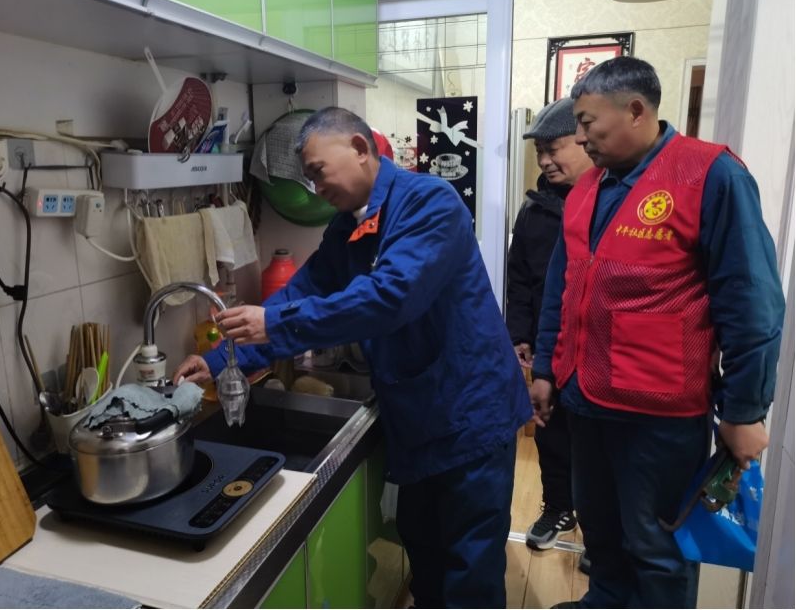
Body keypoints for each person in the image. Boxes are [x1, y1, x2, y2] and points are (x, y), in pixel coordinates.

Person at [174, 107, 532, 608]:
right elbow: (304, 290)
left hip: (469, 414)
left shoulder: (429, 202)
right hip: (419, 417)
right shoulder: (347, 227)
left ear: (360, 149)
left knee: (469, 569)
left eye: (318, 172)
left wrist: (275, 323)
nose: (315, 187)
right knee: (426, 554)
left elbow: (390, 297)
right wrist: (219, 359)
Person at [530, 56, 785, 609]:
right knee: (601, 531)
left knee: (657, 547)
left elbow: (752, 301)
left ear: (635, 111)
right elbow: (563, 287)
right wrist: (547, 367)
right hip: (586, 397)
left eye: (587, 123)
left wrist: (744, 411)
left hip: (660, 412)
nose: (580, 137)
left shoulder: (711, 174)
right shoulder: (587, 187)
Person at [506, 98, 593, 553]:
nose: (544, 160)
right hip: (548, 345)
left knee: (599, 446)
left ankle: (600, 536)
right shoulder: (535, 209)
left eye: (553, 148)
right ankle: (558, 506)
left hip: (600, 352)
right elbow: (519, 278)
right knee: (550, 431)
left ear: (583, 140)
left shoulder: (610, 200)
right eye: (539, 151)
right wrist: (520, 335)